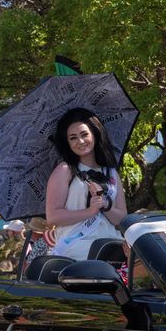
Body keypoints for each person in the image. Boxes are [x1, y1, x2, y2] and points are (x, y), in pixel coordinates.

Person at [46, 108, 127, 260]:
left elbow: (122, 219)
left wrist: (105, 205)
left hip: (113, 248)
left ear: (95, 134)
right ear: (67, 142)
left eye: (84, 134)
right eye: (73, 138)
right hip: (78, 252)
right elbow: (53, 216)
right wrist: (89, 212)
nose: (80, 142)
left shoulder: (112, 173)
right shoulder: (65, 170)